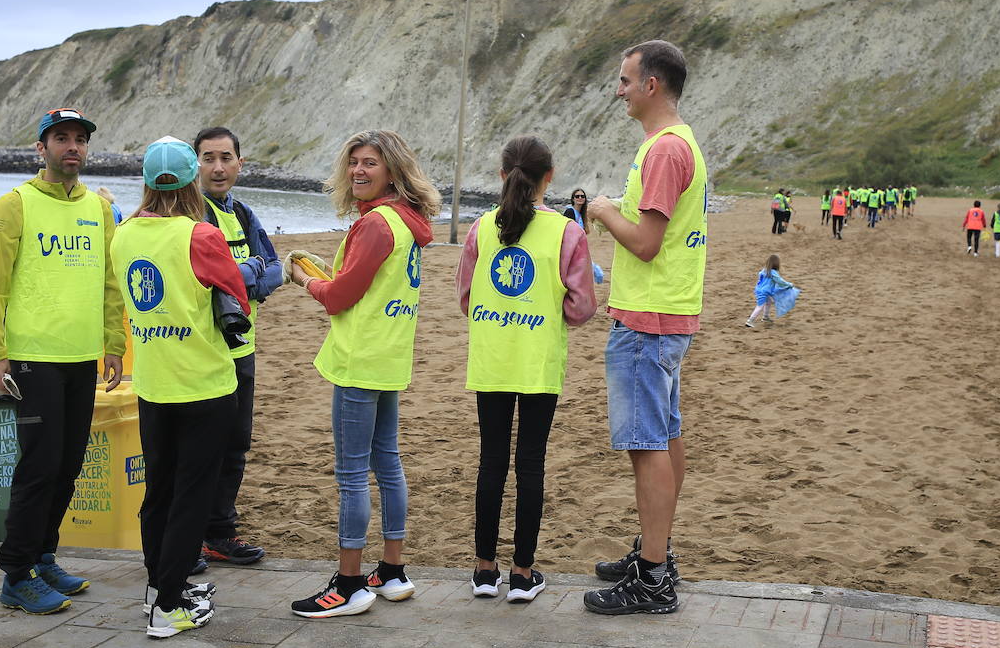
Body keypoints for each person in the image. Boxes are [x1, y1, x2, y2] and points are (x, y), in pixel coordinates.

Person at [0, 108, 125, 615]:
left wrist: (113, 343)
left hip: (81, 357)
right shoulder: (12, 205)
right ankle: (16, 574)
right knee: (39, 467)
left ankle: (44, 557)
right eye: (61, 138)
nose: (72, 147)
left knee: (68, 466)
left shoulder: (99, 209)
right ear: (41, 148)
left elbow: (109, 281)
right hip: (31, 359)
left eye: (80, 139)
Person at [286, 129, 439, 618]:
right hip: (390, 356)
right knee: (387, 463)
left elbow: (339, 297)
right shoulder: (407, 222)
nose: (358, 171)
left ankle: (350, 582)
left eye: (369, 163)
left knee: (353, 472)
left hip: (360, 359)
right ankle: (391, 570)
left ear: (392, 170)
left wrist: (304, 277)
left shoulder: (376, 225)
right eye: (353, 162)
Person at [585, 40, 706, 616]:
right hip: (669, 311)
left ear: (652, 85)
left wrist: (605, 211)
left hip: (648, 317)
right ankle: (656, 553)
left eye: (625, 80)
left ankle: (653, 575)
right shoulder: (680, 144)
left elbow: (646, 242)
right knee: (665, 434)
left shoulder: (663, 151)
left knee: (647, 443)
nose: (619, 89)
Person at [113, 137, 248, 638]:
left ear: (147, 182)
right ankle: (168, 605)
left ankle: (157, 588)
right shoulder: (200, 235)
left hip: (153, 383)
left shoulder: (123, 235)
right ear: (193, 178)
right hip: (204, 384)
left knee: (158, 494)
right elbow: (238, 297)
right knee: (192, 496)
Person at [456, 136, 597, 603]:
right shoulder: (567, 232)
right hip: (538, 361)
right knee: (530, 461)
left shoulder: (480, 228)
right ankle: (521, 572)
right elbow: (580, 309)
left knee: (491, 460)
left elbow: (465, 298)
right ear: (549, 177)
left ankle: (483, 569)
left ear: (502, 175)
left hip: (493, 358)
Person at [193, 126, 285, 569]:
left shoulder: (243, 214)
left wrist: (241, 273)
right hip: (200, 352)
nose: (217, 167)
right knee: (199, 449)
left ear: (239, 164)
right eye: (208, 158)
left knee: (235, 446)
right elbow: (203, 276)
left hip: (242, 348)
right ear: (195, 165)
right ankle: (188, 538)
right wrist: (247, 272)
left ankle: (219, 533)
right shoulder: (191, 215)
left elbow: (275, 271)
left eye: (226, 157)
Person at [745, 254, 793, 329]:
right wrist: (789, 285)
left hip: (760, 290)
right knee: (760, 306)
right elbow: (780, 282)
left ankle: (765, 317)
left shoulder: (763, 271)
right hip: (764, 292)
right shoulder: (773, 273)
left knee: (769, 302)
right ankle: (750, 320)